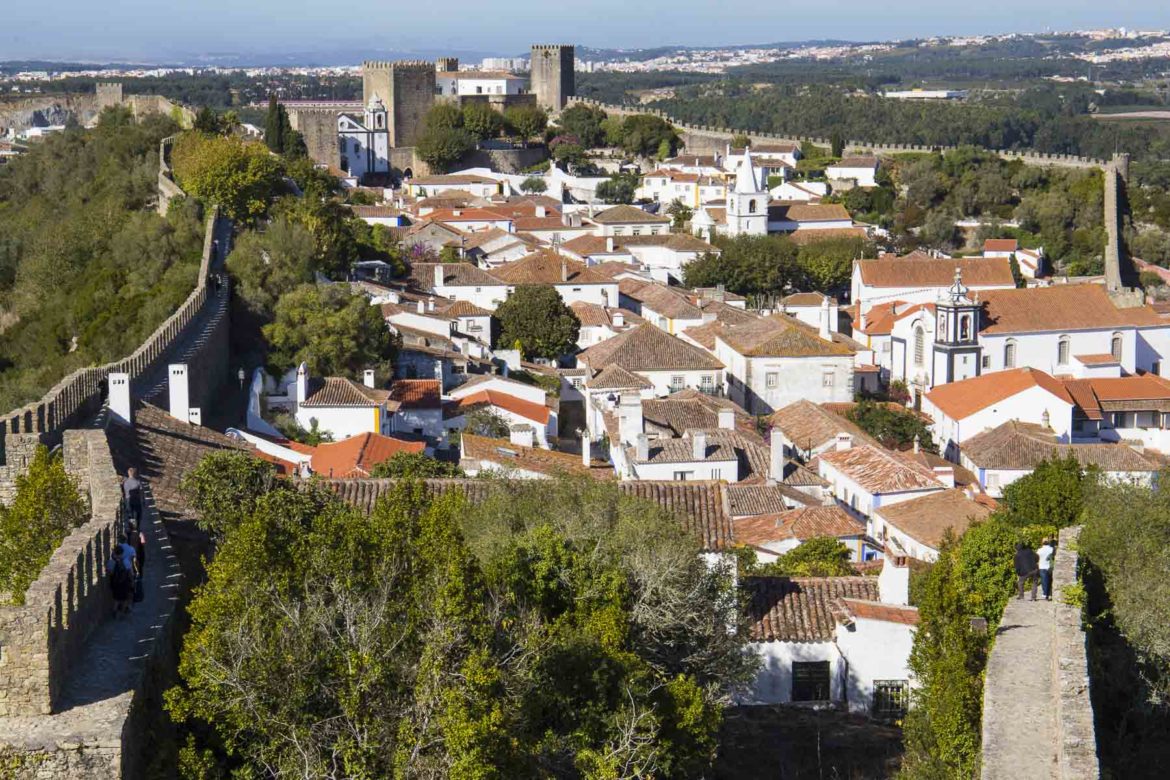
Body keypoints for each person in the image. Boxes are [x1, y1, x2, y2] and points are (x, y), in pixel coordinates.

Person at [108, 539, 135, 616]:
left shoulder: (111, 562)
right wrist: (132, 582)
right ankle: (122, 612)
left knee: (116, 598)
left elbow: (110, 572)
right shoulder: (126, 561)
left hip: (115, 583)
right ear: (122, 553)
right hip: (124, 583)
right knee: (125, 598)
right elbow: (129, 573)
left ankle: (114, 610)